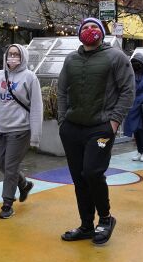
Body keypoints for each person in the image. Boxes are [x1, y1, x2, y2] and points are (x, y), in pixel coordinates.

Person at [57, 18, 134, 246]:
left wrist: (114, 121)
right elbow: (61, 91)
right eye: (85, 28)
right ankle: (86, 225)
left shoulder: (115, 57)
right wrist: (62, 121)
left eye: (94, 27)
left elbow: (128, 90)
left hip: (100, 128)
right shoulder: (71, 59)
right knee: (79, 178)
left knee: (92, 172)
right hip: (72, 128)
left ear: (101, 33)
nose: (90, 30)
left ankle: (106, 219)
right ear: (79, 34)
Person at [0, 44, 43, 220]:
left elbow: (37, 107)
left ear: (23, 56)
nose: (13, 57)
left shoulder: (30, 78)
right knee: (2, 164)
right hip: (1, 129)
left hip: (20, 131)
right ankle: (23, 185)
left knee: (10, 168)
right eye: (10, 54)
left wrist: (35, 137)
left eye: (16, 54)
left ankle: (7, 204)